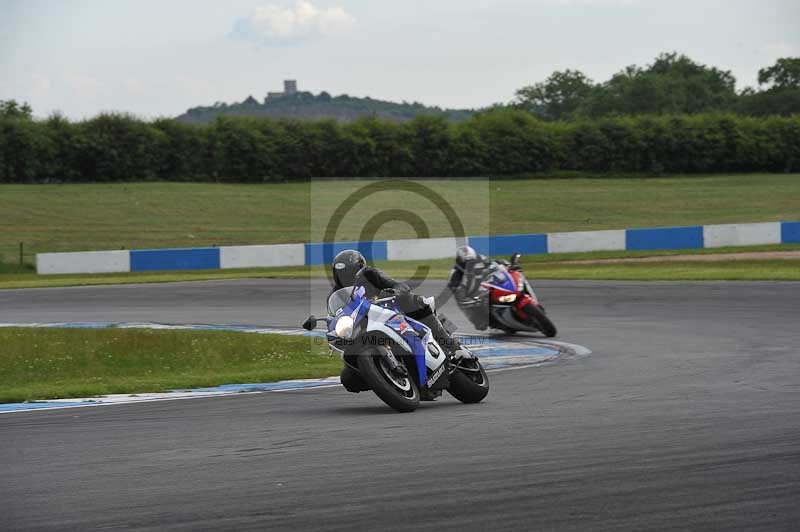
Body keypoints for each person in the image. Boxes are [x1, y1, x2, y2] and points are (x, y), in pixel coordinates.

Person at [330, 249, 463, 357]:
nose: (345, 278)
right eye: (341, 275)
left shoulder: (372, 275)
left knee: (416, 301)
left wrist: (393, 292)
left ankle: (452, 346)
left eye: (349, 274)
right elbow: (334, 317)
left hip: (388, 311)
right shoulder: (335, 295)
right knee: (347, 378)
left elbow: (401, 286)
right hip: (363, 324)